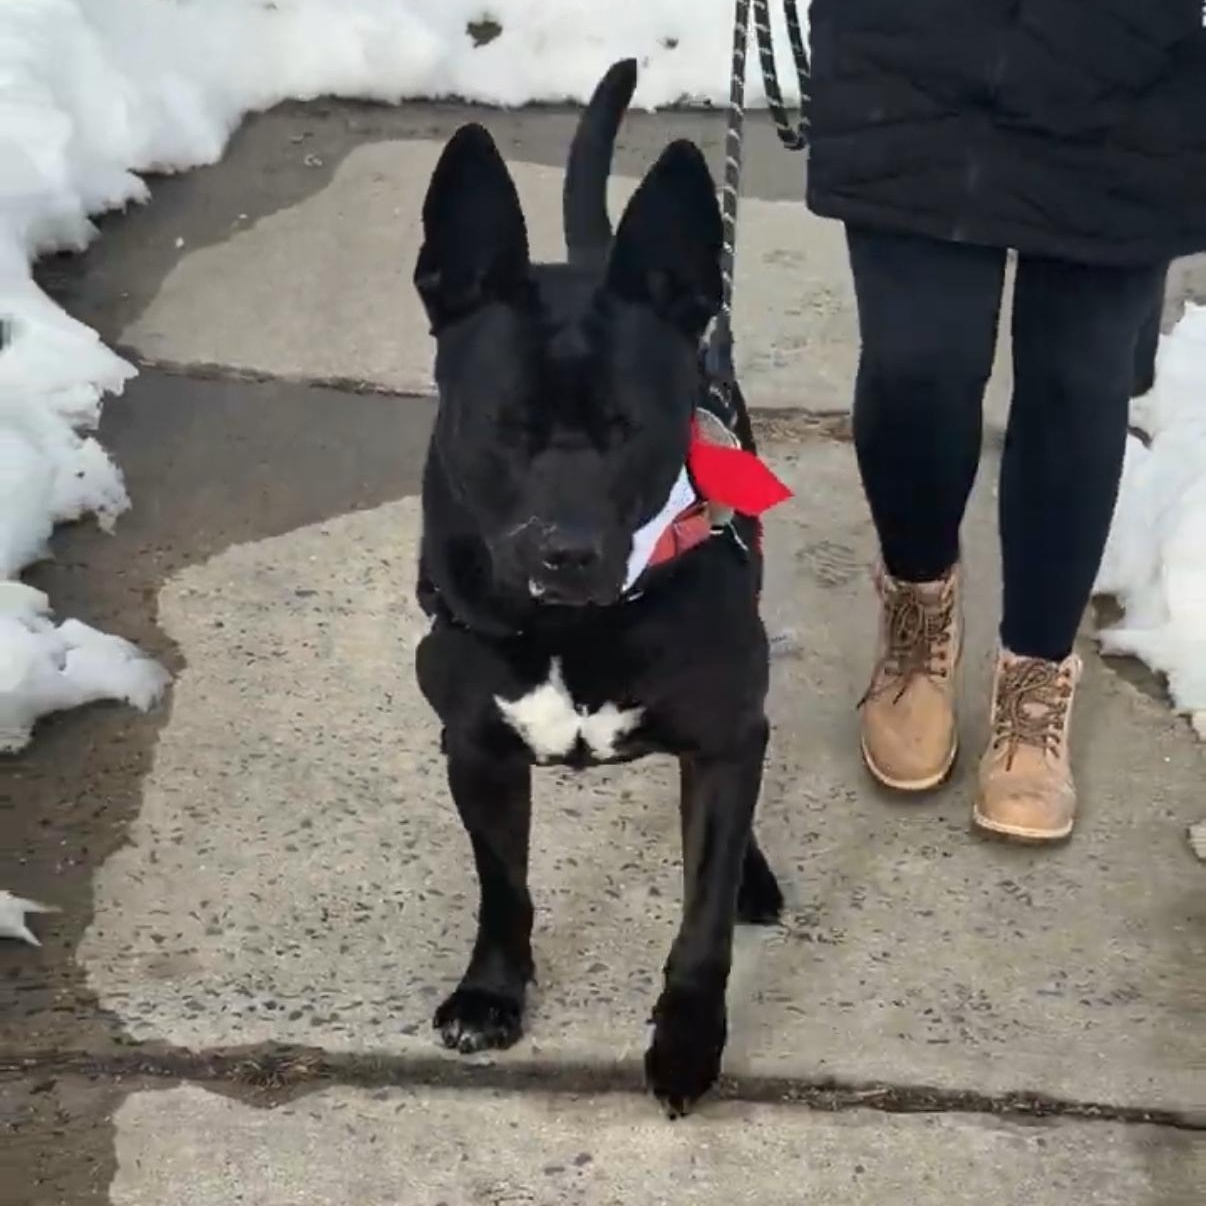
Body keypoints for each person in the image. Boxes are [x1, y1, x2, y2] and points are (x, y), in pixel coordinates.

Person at [805, 4, 1206, 840]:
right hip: (911, 44)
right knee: (919, 362)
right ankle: (918, 607)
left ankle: (1036, 672)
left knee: (1078, 380)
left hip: (1126, 55)